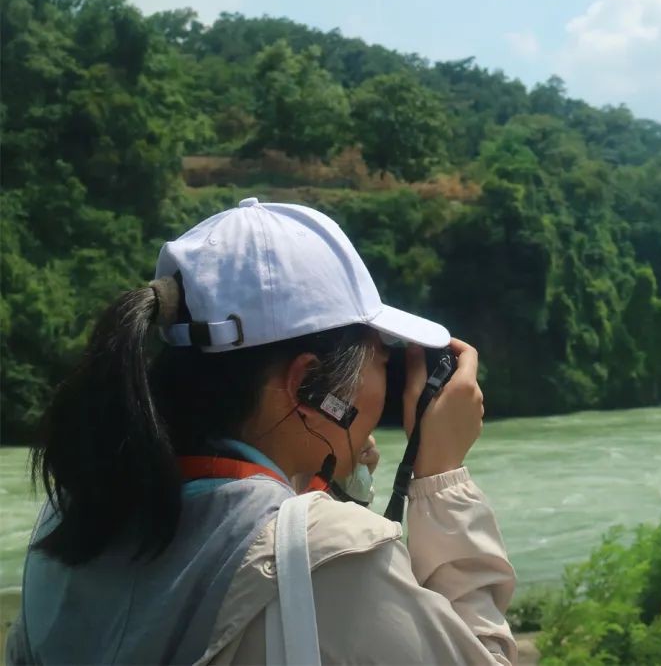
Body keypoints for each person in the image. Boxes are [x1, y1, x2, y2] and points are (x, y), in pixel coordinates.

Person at [5, 197, 517, 665]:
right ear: (309, 384)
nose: (387, 385)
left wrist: (332, 484)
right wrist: (441, 478)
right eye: (382, 360)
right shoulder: (327, 557)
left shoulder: (70, 522)